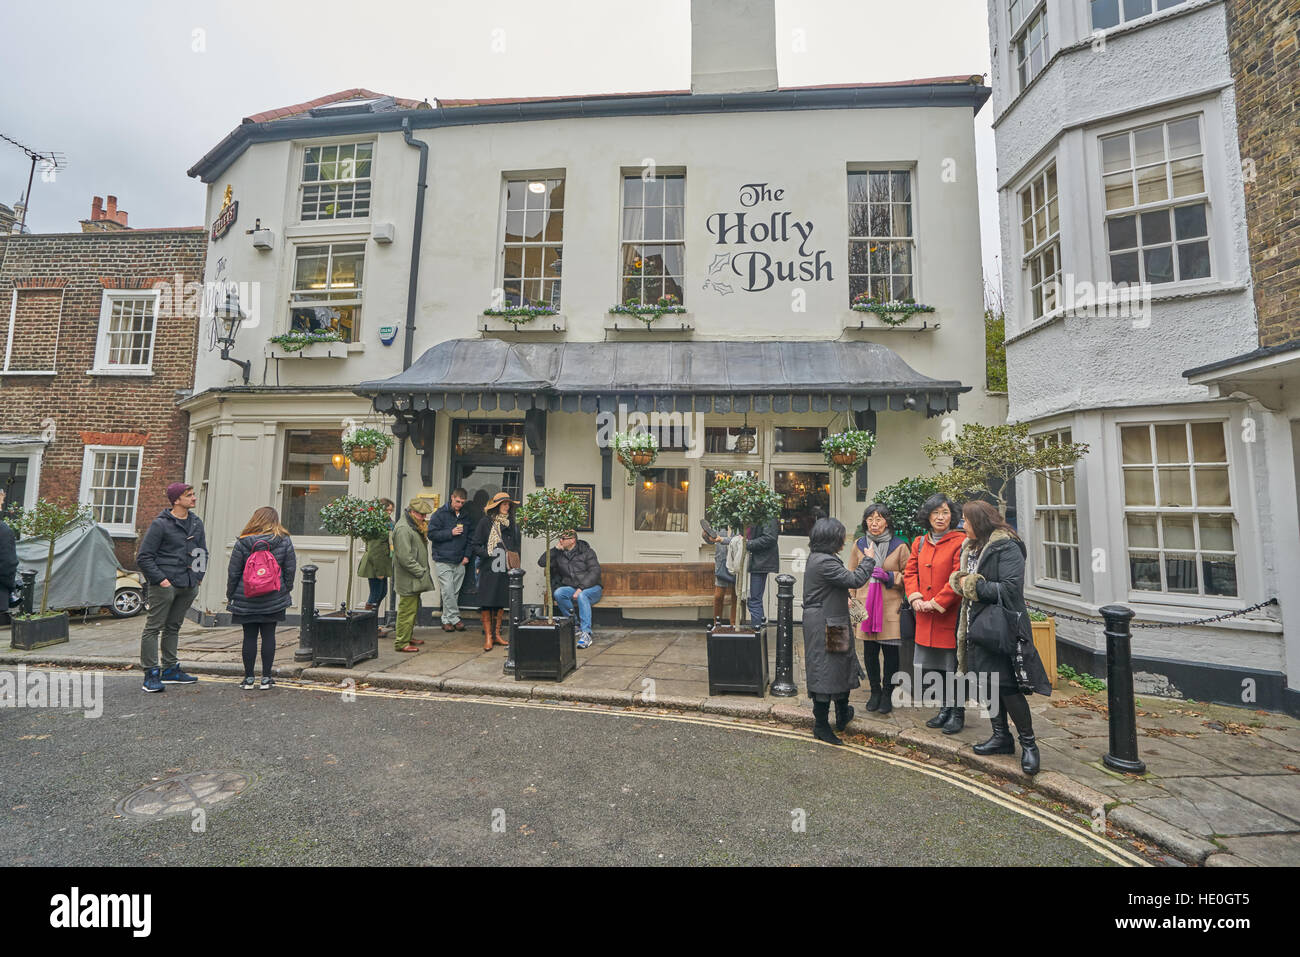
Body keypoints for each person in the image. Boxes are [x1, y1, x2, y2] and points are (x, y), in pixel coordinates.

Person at [952, 500, 1052, 775]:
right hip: (975, 624)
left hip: (1001, 625)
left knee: (1007, 687)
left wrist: (969, 584)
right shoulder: (971, 546)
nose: (963, 525)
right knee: (987, 683)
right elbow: (969, 580)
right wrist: (960, 580)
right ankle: (1001, 737)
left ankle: (1029, 745)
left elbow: (1009, 589)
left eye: (966, 521)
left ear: (980, 522)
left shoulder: (1007, 546)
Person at [802, 517, 875, 746]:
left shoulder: (823, 558)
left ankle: (843, 714)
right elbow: (855, 579)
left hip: (833, 621)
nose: (844, 539)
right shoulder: (824, 562)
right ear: (832, 538)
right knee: (825, 671)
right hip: (824, 624)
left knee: (840, 666)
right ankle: (821, 725)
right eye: (841, 535)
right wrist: (869, 560)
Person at [903, 493, 966, 733]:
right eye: (935, 513)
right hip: (924, 615)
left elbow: (958, 578)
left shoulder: (961, 542)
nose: (940, 517)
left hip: (947, 615)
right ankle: (943, 709)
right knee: (935, 666)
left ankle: (956, 712)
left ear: (952, 516)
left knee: (953, 666)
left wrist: (937, 602)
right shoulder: (919, 542)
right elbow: (910, 573)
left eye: (945, 512)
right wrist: (916, 597)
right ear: (927, 517)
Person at [136, 482, 207, 693]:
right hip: (164, 585)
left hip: (188, 584)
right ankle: (151, 673)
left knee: (173, 627)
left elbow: (201, 552)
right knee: (153, 628)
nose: (194, 498)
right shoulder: (161, 524)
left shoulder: (196, 523)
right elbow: (144, 557)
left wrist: (198, 577)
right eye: (189, 495)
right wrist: (161, 580)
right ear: (176, 500)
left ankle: (170, 670)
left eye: (193, 494)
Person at [848, 504, 910, 715]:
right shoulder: (859, 544)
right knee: (870, 651)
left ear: (887, 521)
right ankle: (874, 691)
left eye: (879, 519)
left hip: (890, 606)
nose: (874, 524)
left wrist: (890, 576)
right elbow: (852, 573)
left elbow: (909, 575)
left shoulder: (899, 546)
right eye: (870, 519)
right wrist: (852, 600)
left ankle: (887, 693)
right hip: (866, 605)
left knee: (891, 653)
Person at [226, 507, 296, 690]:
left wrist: (231, 594)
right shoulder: (283, 541)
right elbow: (290, 570)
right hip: (273, 596)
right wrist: (285, 589)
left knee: (248, 636)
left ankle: (249, 679)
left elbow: (233, 572)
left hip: (246, 597)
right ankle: (266, 678)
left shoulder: (242, 542)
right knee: (269, 636)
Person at [471, 492, 520, 651]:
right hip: (489, 566)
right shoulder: (485, 522)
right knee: (487, 601)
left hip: (505, 568)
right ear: (497, 506)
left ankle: (497, 634)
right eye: (504, 504)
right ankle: (488, 637)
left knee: (500, 601)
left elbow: (515, 543)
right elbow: (476, 545)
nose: (507, 507)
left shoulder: (511, 522)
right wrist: (488, 554)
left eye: (508, 504)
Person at [539, 529, 602, 648]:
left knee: (583, 595)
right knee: (559, 593)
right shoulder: (559, 555)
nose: (560, 540)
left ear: (573, 540)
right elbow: (542, 562)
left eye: (563, 538)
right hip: (573, 588)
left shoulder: (587, 552)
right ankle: (575, 625)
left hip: (592, 588)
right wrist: (555, 549)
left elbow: (595, 572)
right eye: (560, 538)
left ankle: (586, 633)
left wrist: (581, 588)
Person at [392, 498, 436, 653]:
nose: (424, 518)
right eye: (421, 515)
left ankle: (407, 636)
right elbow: (405, 557)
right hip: (409, 578)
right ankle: (402, 643)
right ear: (412, 512)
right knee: (406, 611)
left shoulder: (412, 525)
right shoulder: (404, 528)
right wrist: (420, 572)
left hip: (413, 578)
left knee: (413, 609)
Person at [428, 487, 471, 632]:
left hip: (460, 559)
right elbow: (431, 534)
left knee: (454, 592)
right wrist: (450, 533)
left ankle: (446, 620)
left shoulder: (465, 516)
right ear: (452, 497)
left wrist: (467, 555)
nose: (459, 504)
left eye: (462, 502)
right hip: (442, 558)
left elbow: (470, 538)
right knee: (447, 590)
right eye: (457, 501)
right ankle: (455, 618)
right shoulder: (439, 514)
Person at [357, 498, 394, 638]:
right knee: (375, 594)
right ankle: (368, 626)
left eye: (391, 510)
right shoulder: (378, 525)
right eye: (387, 510)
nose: (389, 513)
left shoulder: (387, 524)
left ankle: (371, 624)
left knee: (382, 592)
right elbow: (375, 550)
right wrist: (379, 571)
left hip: (382, 564)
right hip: (375, 566)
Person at [744, 513, 780, 631]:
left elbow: (770, 538)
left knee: (754, 600)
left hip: (759, 562)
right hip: (753, 561)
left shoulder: (767, 514)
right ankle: (759, 632)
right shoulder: (753, 513)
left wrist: (747, 544)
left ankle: (757, 633)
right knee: (754, 600)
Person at [703, 522, 736, 626]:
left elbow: (740, 541)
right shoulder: (720, 522)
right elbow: (712, 541)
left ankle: (733, 624)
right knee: (718, 596)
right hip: (721, 564)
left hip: (736, 564)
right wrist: (705, 536)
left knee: (736, 596)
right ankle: (717, 623)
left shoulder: (740, 524)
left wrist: (722, 539)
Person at [0, 490, 18, 611]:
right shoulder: (3, 530)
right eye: (0, 504)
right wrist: (11, 587)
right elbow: (7, 565)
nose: (1, 508)